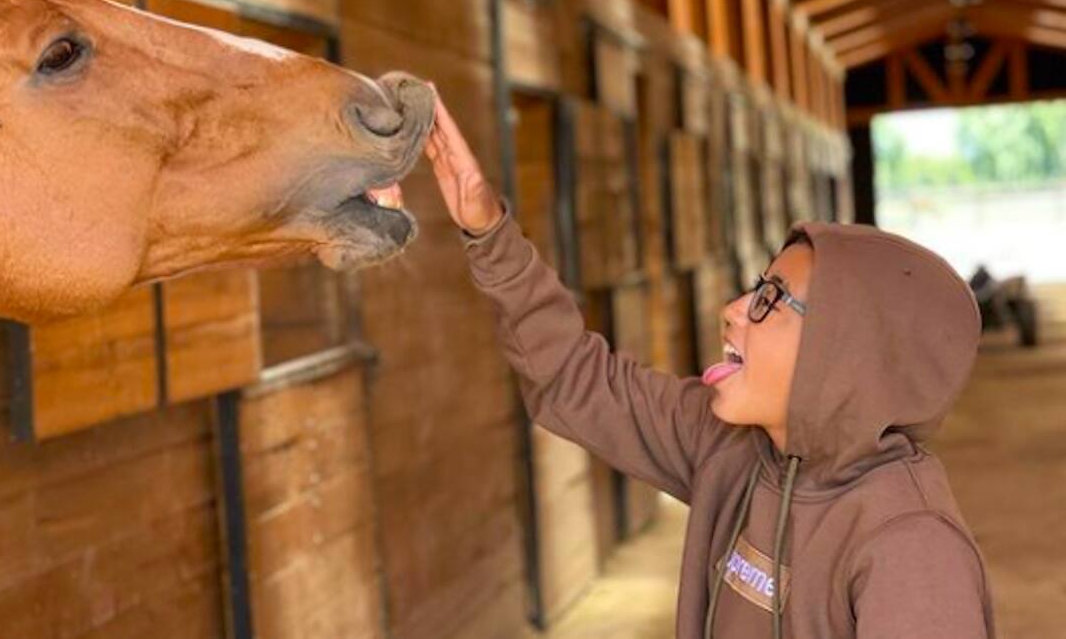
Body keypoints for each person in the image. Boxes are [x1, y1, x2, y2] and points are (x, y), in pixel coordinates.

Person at [422, 94, 994, 639]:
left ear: (842, 350)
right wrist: (487, 227)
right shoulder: (730, 449)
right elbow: (576, 378)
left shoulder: (912, 547)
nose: (732, 312)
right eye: (756, 287)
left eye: (770, 300)